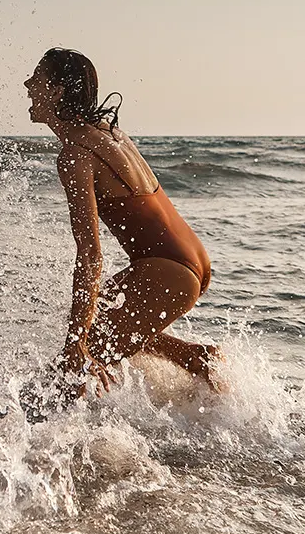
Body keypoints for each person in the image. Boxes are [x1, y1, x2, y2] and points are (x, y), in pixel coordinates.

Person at [24, 47, 220, 403]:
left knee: (76, 363)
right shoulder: (110, 133)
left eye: (35, 77)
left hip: (169, 270)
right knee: (102, 321)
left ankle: (61, 450)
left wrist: (75, 344)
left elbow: (90, 254)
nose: (26, 84)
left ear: (56, 90)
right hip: (190, 260)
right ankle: (194, 358)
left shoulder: (75, 155)